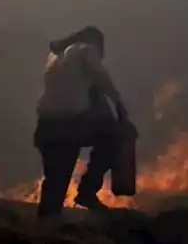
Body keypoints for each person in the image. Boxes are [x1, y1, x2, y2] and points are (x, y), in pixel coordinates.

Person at [33, 26, 129, 219]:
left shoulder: (55, 56)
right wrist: (119, 104)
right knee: (114, 138)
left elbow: (72, 90)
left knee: (55, 182)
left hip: (45, 127)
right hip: (69, 124)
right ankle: (86, 191)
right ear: (97, 43)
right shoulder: (85, 49)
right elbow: (101, 77)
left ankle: (45, 226)